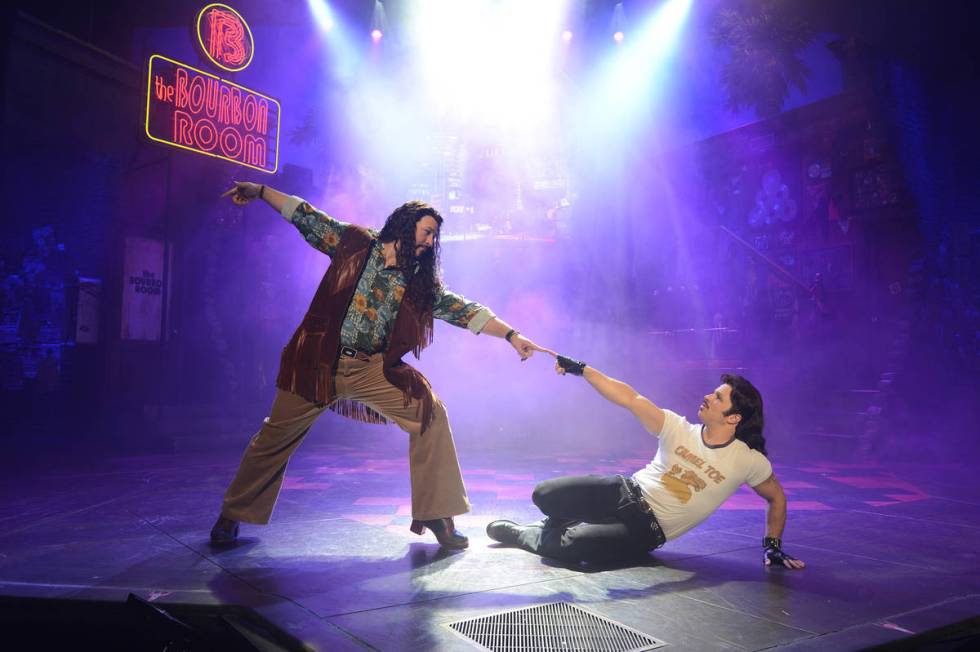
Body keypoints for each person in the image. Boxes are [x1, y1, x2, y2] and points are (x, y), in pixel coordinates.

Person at [210, 181, 548, 549]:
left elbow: (460, 308)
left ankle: (437, 513)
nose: (431, 242)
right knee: (274, 437)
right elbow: (304, 215)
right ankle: (233, 514)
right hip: (317, 362)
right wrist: (260, 191)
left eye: (435, 236)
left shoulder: (417, 281)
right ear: (405, 224)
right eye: (428, 231)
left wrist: (512, 335)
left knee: (429, 413)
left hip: (370, 369)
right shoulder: (355, 243)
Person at [486, 354, 806, 569]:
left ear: (733, 417)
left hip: (646, 530)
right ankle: (557, 520)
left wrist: (772, 545)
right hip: (623, 491)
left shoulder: (748, 461)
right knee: (543, 494)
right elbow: (629, 397)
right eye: (713, 392)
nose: (708, 397)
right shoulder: (677, 427)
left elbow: (776, 497)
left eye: (718, 397)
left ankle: (523, 535)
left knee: (575, 547)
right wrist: (582, 370)